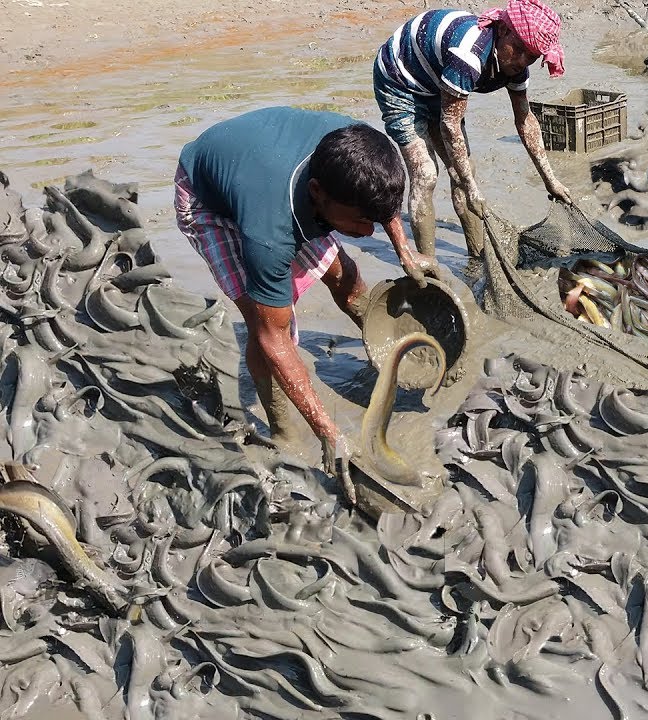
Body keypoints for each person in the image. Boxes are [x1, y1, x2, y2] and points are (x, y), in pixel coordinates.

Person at [174, 106, 434, 501]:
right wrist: (328, 432)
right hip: (208, 199)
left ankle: (386, 350)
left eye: (374, 221)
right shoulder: (269, 235)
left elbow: (381, 201)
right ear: (318, 195)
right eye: (361, 223)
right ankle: (282, 429)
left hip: (266, 167)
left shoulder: (356, 147)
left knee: (345, 275)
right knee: (265, 321)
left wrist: (405, 252)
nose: (367, 233)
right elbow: (273, 340)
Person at [373, 0, 573, 261]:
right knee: (425, 174)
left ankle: (476, 257)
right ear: (502, 31)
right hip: (400, 79)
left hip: (439, 82)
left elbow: (525, 120)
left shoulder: (516, 67)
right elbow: (450, 124)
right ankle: (428, 265)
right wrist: (472, 188)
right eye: (520, 50)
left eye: (532, 57)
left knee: (464, 170)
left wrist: (551, 180)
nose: (523, 61)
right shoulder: (468, 54)